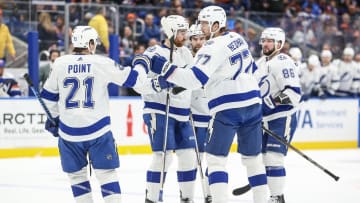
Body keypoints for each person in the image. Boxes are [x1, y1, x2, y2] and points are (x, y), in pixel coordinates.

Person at [149, 6, 268, 203]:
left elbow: (195, 79)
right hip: (253, 103)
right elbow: (253, 69)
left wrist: (165, 68)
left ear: (215, 24)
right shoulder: (238, 38)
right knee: (253, 160)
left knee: (215, 161)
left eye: (204, 23)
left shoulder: (211, 47)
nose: (200, 27)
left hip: (228, 107)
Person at [40, 26, 158, 203]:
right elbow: (134, 80)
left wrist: (55, 119)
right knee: (107, 175)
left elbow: (47, 97)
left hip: (69, 134)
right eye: (94, 42)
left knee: (77, 177)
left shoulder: (59, 63)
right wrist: (142, 66)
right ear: (89, 43)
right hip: (98, 131)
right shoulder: (101, 62)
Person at [132, 15, 198, 203]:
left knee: (188, 156)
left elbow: (193, 80)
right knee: (163, 156)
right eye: (181, 32)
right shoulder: (154, 53)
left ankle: (187, 198)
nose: (185, 36)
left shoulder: (186, 53)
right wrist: (159, 84)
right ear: (170, 32)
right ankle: (152, 198)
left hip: (183, 112)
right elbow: (137, 83)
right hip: (159, 109)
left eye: (186, 31)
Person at [255, 27, 302, 203]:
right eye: (264, 40)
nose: (265, 44)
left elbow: (293, 93)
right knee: (265, 157)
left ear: (279, 44)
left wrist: (271, 103)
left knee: (274, 156)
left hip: (282, 117)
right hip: (265, 119)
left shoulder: (283, 61)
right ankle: (273, 194)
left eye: (270, 41)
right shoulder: (260, 63)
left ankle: (277, 197)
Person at [188, 23, 212, 202]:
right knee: (191, 160)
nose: (198, 42)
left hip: (212, 117)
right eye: (195, 39)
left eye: (201, 39)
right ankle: (186, 195)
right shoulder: (185, 59)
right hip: (193, 119)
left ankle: (210, 193)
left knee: (212, 160)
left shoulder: (213, 57)